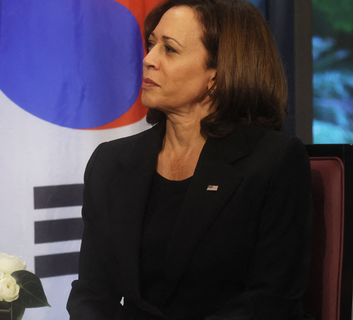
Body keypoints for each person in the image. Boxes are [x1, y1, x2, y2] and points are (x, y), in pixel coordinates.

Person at [67, 0, 313, 319]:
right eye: (152, 44)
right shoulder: (111, 162)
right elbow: (92, 292)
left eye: (169, 50)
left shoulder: (274, 161)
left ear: (218, 73)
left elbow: (270, 299)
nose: (148, 60)